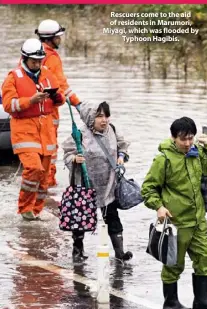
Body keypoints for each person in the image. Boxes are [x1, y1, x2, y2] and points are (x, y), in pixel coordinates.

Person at [141, 117, 207, 309]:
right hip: (176, 221)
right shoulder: (164, 159)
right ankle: (170, 302)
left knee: (206, 257)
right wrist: (159, 207)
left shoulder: (196, 154)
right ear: (173, 138)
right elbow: (148, 188)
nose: (187, 144)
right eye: (183, 140)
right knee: (173, 264)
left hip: (198, 220)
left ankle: (202, 300)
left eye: (190, 139)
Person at [2, 38, 65, 221]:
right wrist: (30, 101)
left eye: (39, 60)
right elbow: (8, 105)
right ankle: (24, 209)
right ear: (25, 59)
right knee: (33, 168)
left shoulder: (47, 73)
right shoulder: (13, 77)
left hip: (45, 132)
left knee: (45, 176)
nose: (37, 64)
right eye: (34, 61)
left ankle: (36, 211)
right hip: (24, 130)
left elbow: (59, 100)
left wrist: (57, 97)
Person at [62, 101, 133, 262]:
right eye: (99, 116)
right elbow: (67, 155)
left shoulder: (112, 130)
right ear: (90, 117)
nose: (104, 120)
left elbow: (122, 147)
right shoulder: (79, 134)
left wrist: (121, 158)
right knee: (80, 220)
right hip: (85, 185)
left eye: (106, 116)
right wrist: (74, 158)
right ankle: (78, 251)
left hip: (108, 185)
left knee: (113, 218)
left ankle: (120, 253)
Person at [35, 19, 82, 187]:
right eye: (58, 37)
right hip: (48, 111)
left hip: (33, 112)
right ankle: (48, 188)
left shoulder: (31, 55)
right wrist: (78, 103)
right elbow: (60, 84)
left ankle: (40, 184)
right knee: (50, 151)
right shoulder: (52, 57)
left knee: (37, 151)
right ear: (50, 38)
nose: (60, 40)